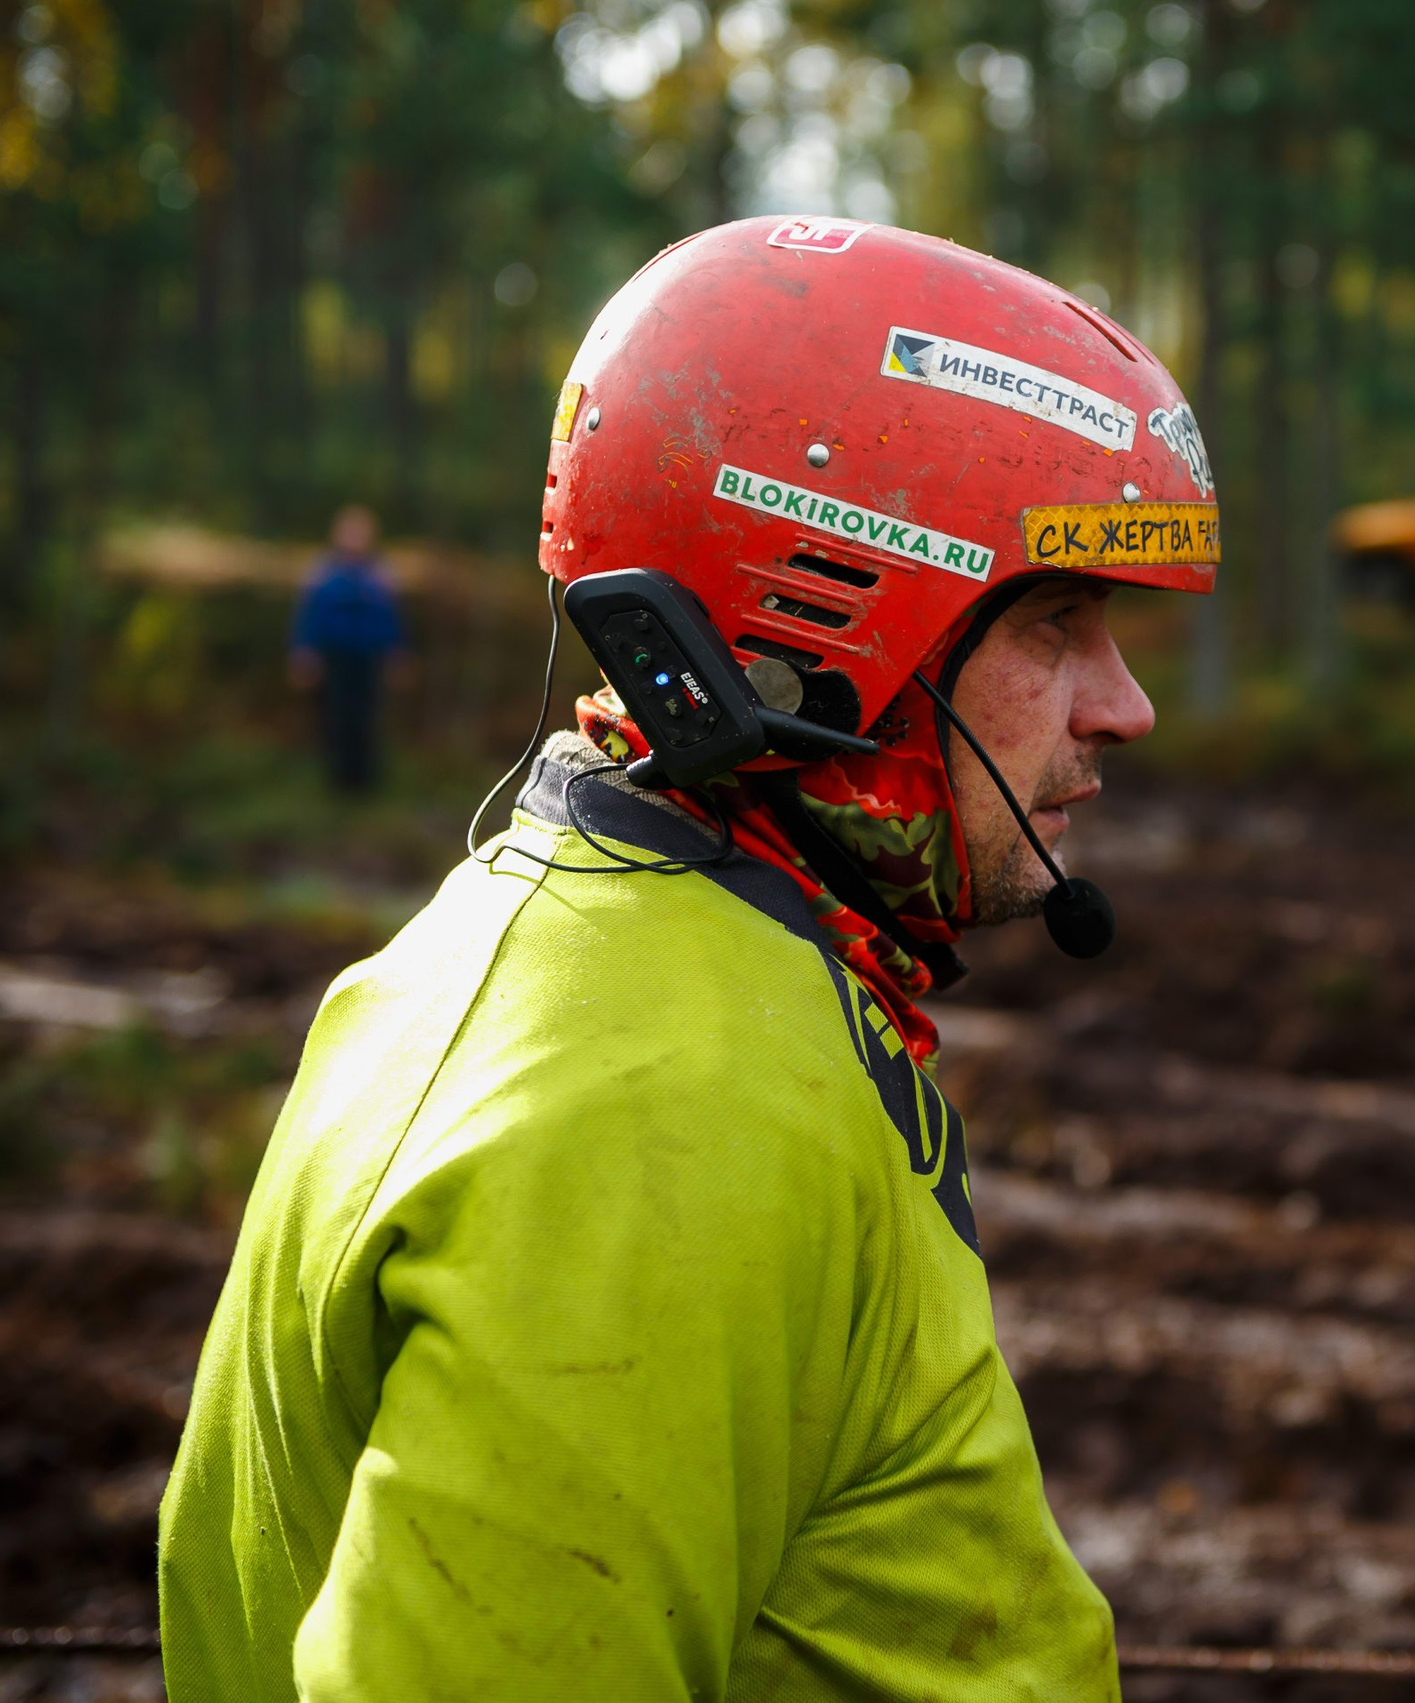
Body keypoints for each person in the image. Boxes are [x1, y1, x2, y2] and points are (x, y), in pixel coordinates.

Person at [158, 220, 1218, 1700]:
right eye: (1057, 623)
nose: (1124, 707)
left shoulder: (635, 950)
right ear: (838, 612)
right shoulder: (663, 1109)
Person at [289, 505, 404, 793]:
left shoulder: (378, 576)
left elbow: (390, 619)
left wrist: (397, 653)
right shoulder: (323, 573)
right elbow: (310, 616)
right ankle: (336, 780)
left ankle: (364, 780)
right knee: (335, 716)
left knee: (365, 717)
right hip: (335, 658)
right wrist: (305, 651)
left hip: (368, 658)